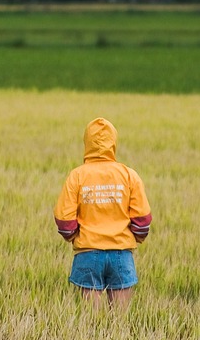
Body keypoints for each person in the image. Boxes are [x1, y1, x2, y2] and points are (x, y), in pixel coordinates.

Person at [53, 116, 152, 311]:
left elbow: (64, 221)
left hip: (88, 254)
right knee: (119, 323)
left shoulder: (77, 175)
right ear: (113, 142)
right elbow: (142, 220)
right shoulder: (128, 175)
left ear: (86, 142)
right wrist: (133, 238)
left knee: (93, 324)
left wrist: (74, 236)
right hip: (122, 254)